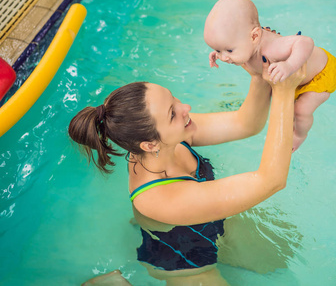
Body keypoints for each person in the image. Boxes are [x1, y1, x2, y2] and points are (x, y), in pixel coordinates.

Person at [71, 59, 306, 285]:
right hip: (184, 260)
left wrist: (260, 72)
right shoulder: (161, 198)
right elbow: (272, 180)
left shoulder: (170, 136)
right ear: (149, 145)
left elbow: (246, 124)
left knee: (277, 261)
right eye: (172, 113)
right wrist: (285, 92)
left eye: (173, 99)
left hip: (208, 223)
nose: (186, 108)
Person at [204, 0, 336, 151]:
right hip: (297, 79)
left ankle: (300, 135)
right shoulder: (243, 41)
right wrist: (218, 53)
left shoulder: (274, 47)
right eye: (217, 50)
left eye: (228, 50)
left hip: (321, 74)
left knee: (300, 111)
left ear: (255, 36)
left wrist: (289, 65)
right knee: (289, 112)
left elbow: (306, 42)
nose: (224, 58)